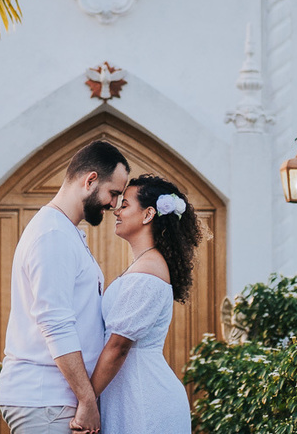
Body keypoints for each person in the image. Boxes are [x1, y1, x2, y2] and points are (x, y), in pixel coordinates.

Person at [0, 140, 131, 434]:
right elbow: (55, 323)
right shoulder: (52, 235)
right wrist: (87, 399)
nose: (114, 204)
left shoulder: (64, 231)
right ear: (90, 180)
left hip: (54, 399)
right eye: (114, 193)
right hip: (46, 398)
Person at [88, 174, 203, 434]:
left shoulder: (148, 271)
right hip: (129, 395)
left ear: (148, 214)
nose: (116, 210)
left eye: (125, 205)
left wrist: (86, 400)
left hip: (144, 401)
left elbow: (118, 346)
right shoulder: (145, 265)